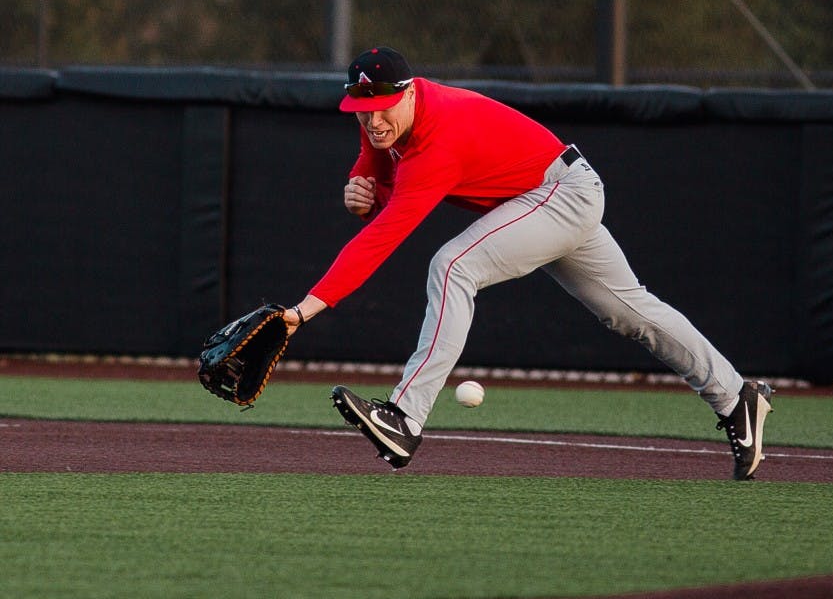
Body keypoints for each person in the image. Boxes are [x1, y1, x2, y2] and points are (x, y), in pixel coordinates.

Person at [281, 46, 773, 479]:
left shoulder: (438, 138)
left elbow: (384, 235)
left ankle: (405, 418)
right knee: (631, 313)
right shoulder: (385, 118)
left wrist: (303, 311)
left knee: (452, 267)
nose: (373, 121)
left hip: (560, 192)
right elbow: (376, 176)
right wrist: (361, 191)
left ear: (409, 93)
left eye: (382, 108)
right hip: (546, 197)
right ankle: (736, 397)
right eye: (362, 111)